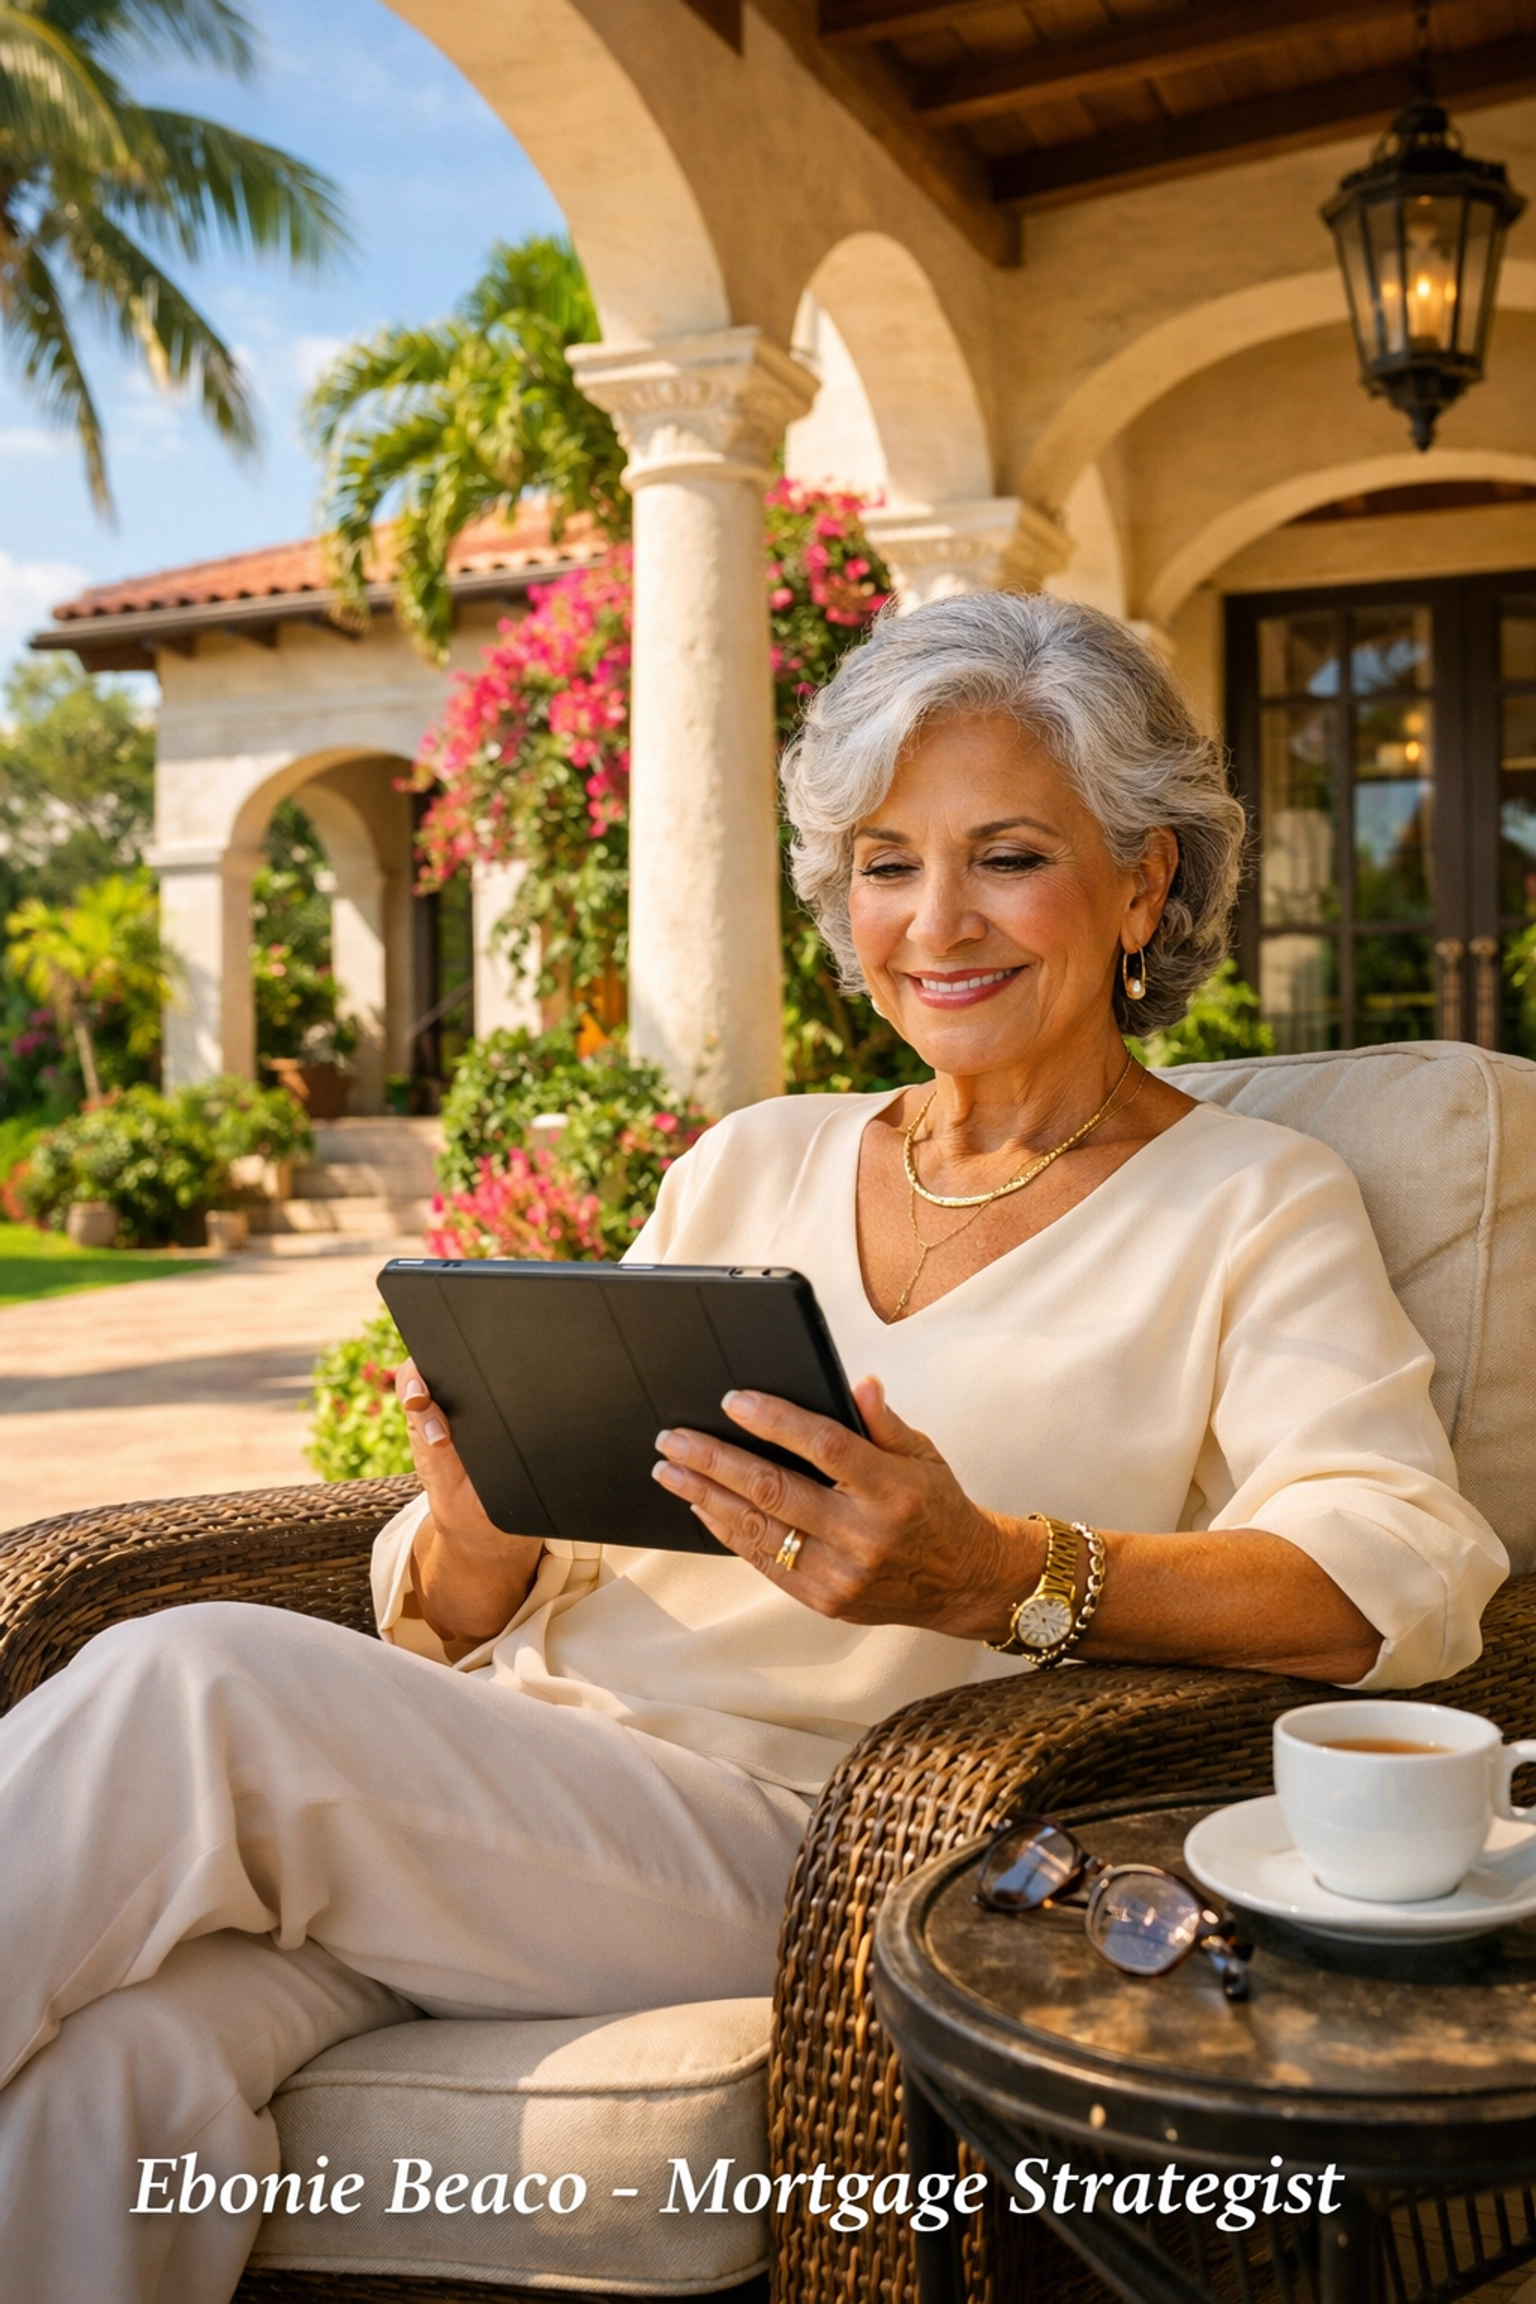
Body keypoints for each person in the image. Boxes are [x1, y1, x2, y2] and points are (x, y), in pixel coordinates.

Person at [0, 594, 1505, 2301]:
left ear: (1144, 882)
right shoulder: (752, 1159)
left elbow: (1398, 1570)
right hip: (495, 1796)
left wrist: (1002, 1575)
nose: (935, 921)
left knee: (199, 1684)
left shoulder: (1249, 1201)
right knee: (115, 2070)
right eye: (885, 864)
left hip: (813, 1838)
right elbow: (485, 1597)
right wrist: (481, 1517)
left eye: (1008, 857)